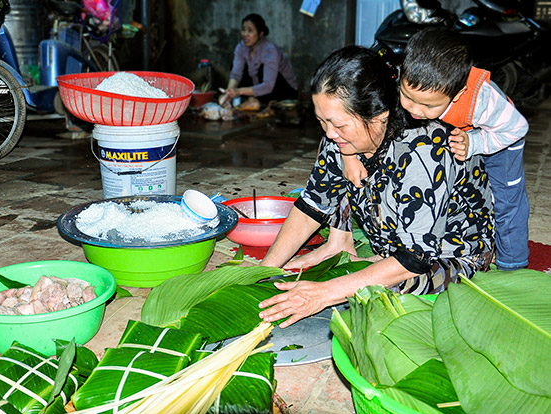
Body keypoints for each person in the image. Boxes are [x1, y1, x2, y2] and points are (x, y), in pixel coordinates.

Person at [258, 46, 495, 328]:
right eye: (322, 121)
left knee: (379, 294)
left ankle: (373, 267)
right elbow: (313, 204)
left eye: (338, 124)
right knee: (339, 157)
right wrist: (265, 270)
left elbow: (416, 259)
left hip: (449, 253)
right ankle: (341, 245)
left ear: (380, 114)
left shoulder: (425, 151)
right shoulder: (340, 141)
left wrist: (324, 293)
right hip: (395, 243)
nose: (329, 133)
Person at [342, 27, 530, 271]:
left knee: (506, 200)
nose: (416, 111)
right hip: (460, 133)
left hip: (499, 137)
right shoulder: (398, 77)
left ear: (458, 93)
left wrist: (475, 143)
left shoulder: (483, 101)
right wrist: (348, 154)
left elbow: (519, 127)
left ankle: (512, 263)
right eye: (408, 97)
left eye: (428, 105)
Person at [218, 13, 298, 114]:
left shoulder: (270, 50)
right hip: (260, 88)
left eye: (250, 31)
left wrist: (238, 91)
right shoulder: (241, 47)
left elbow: (268, 85)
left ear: (260, 34)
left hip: (283, 91)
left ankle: (258, 101)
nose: (245, 34)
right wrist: (228, 92)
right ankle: (255, 100)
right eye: (243, 30)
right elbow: (236, 74)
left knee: (261, 69)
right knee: (238, 66)